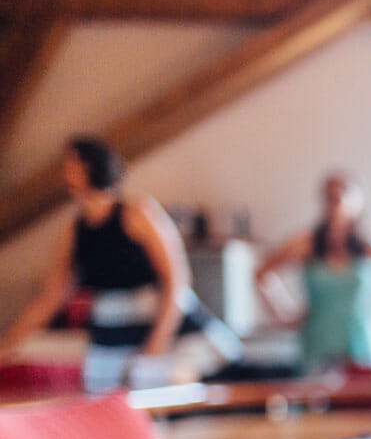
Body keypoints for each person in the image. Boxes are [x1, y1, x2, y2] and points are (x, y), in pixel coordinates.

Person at [0, 136, 241, 391]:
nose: (65, 172)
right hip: (112, 331)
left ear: (92, 166)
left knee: (176, 380)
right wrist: (9, 344)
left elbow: (176, 280)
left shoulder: (138, 213)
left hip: (162, 324)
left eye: (72, 163)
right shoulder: (74, 230)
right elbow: (51, 297)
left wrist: (157, 342)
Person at [254, 171, 371, 375]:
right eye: (331, 194)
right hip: (319, 343)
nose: (338, 198)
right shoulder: (307, 243)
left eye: (345, 191)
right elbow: (263, 274)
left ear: (360, 199)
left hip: (365, 344)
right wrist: (284, 317)